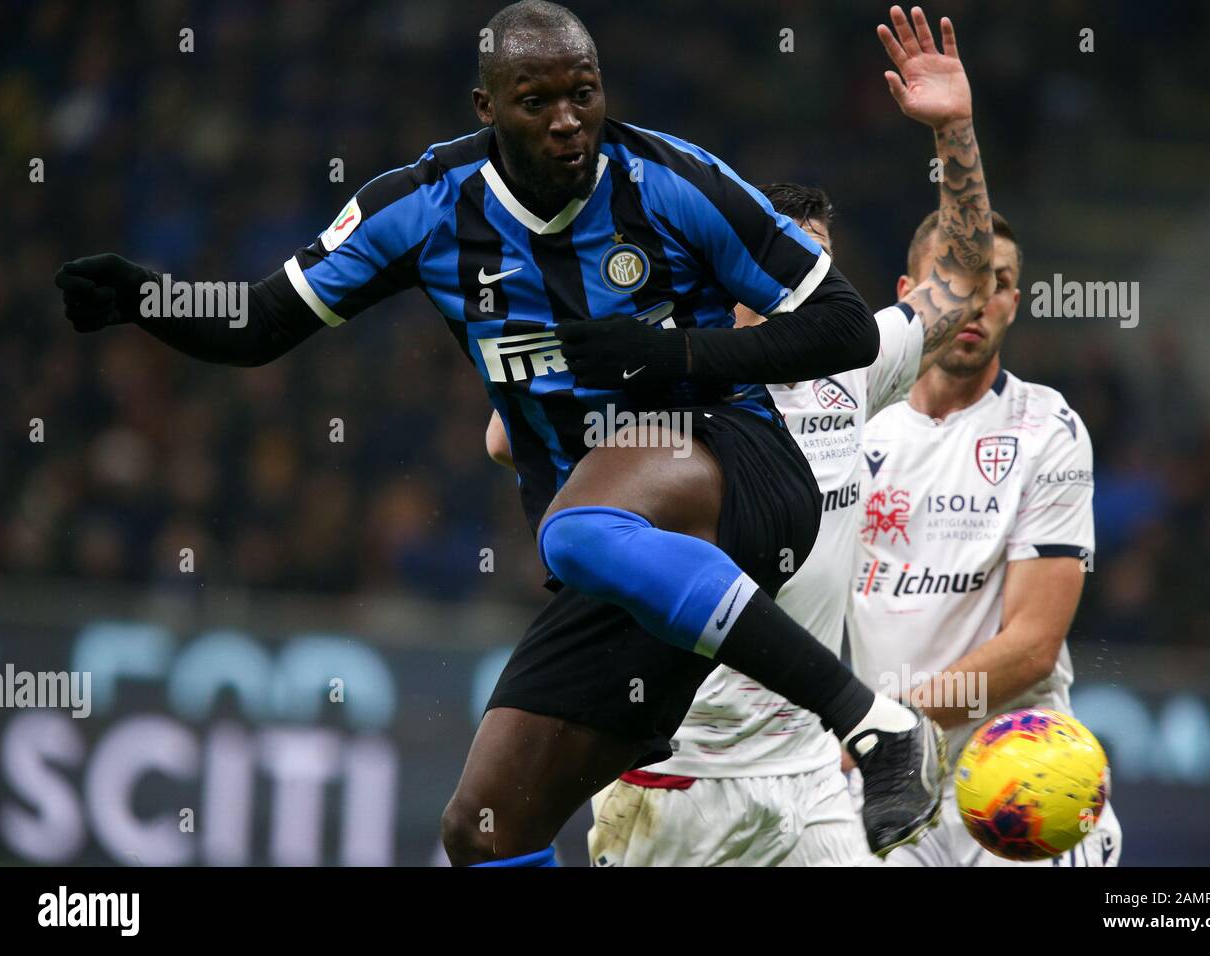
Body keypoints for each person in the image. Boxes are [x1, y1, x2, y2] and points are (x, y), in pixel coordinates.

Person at [54, 0, 945, 866]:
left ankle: (876, 726)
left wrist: (665, 351)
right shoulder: (424, 208)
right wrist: (145, 296)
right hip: (619, 567)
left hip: (738, 471)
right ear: (488, 109)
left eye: (584, 94)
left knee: (578, 526)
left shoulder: (670, 180)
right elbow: (259, 324)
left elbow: (844, 327)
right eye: (538, 102)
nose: (568, 121)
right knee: (483, 832)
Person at [486, 7, 995, 864]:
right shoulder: (677, 402)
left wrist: (954, 130)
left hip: (812, 777)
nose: (804, 287)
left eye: (819, 270)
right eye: (782, 268)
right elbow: (508, 440)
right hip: (678, 786)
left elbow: (962, 279)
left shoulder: (855, 371)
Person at [847, 211, 1124, 866]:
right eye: (952, 280)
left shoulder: (1045, 430)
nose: (975, 300)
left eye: (996, 282)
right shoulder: (852, 429)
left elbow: (1031, 647)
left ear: (1015, 303)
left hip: (1024, 772)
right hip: (888, 783)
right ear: (906, 294)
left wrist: (883, 723)